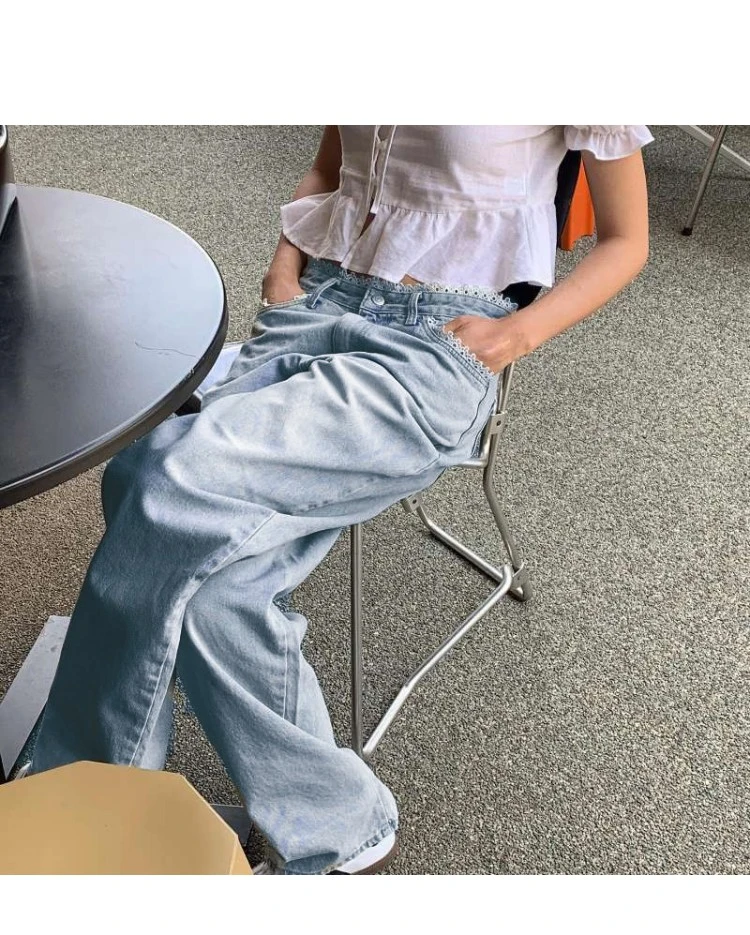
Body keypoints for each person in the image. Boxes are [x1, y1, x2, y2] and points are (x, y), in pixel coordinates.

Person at [30, 125, 653, 874]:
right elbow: (329, 168)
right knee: (192, 553)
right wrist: (283, 268)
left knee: (166, 482)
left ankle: (83, 790)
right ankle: (341, 826)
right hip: (316, 304)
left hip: (432, 347)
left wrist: (513, 336)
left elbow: (627, 240)